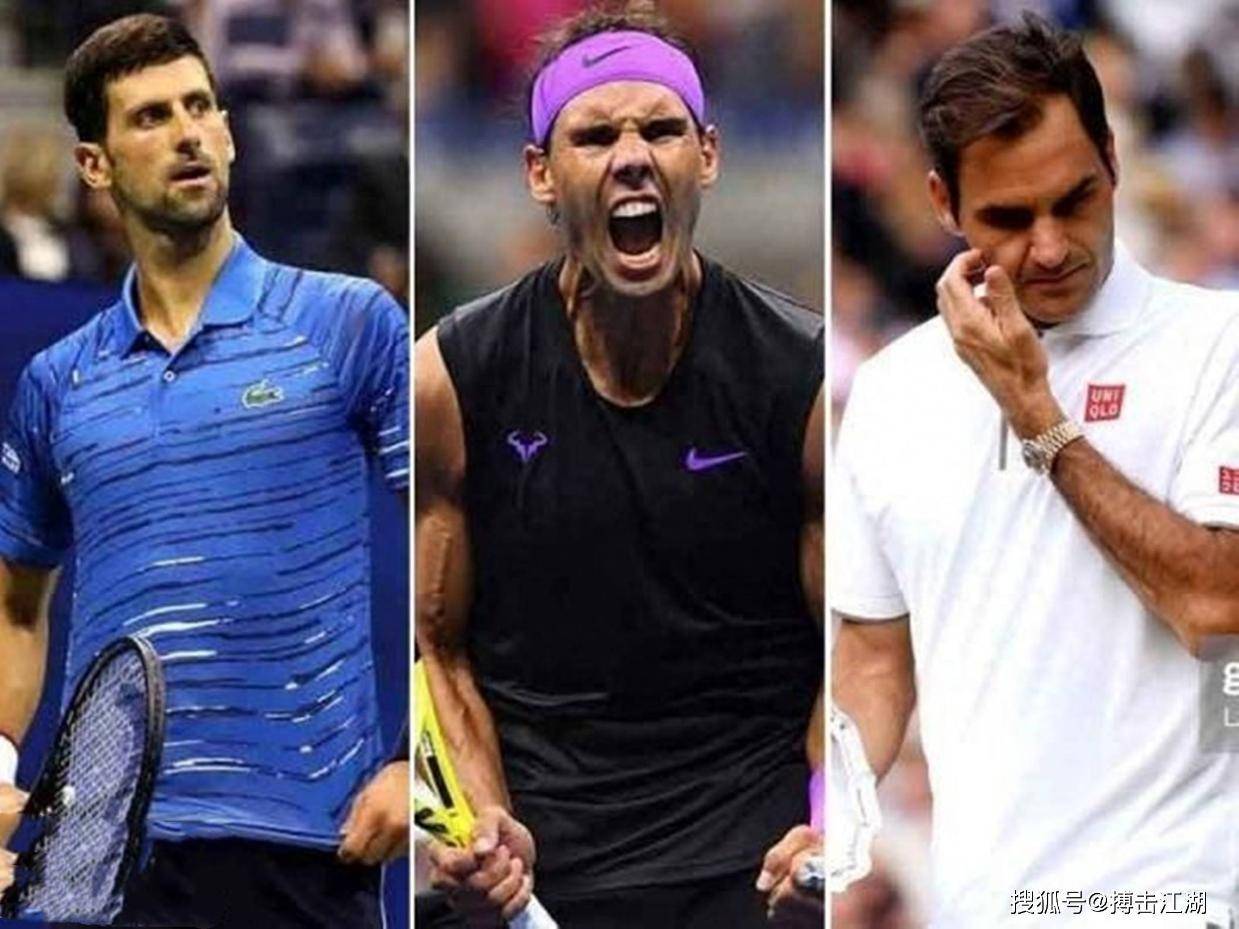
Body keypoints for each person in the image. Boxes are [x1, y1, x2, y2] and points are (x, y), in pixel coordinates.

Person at [414, 6, 825, 929]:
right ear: (540, 174)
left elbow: (846, 645)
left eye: (661, 130)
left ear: (706, 157)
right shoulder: (450, 378)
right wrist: (482, 826)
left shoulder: (797, 379)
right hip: (542, 857)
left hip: (749, 857)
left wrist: (824, 825)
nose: (632, 157)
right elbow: (438, 647)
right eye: (595, 136)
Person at [830, 13, 1239, 929]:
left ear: (1112, 162)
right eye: (1009, 218)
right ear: (942, 203)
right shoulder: (891, 391)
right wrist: (830, 823)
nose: (1049, 245)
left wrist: (1035, 415)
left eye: (1073, 199)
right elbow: (874, 656)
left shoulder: (1218, 344)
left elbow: (1221, 613)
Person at [0, 14, 409, 928]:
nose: (187, 132)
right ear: (95, 165)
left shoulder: (349, 322)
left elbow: (451, 535)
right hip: (110, 861)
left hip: (309, 853)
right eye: (150, 117)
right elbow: (16, 605)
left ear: (227, 130)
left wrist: (413, 758)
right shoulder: (57, 381)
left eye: (199, 106)